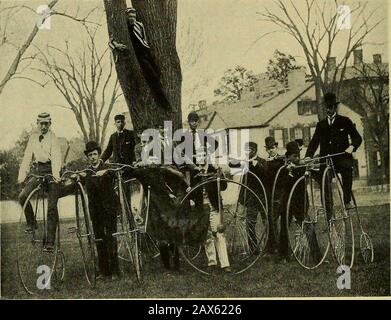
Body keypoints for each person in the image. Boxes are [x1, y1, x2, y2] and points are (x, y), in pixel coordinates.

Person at [183, 111, 231, 273]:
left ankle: (225, 264)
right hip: (201, 205)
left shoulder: (213, 170)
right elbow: (191, 190)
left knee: (218, 232)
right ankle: (212, 262)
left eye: (205, 154)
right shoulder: (195, 175)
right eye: (200, 155)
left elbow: (223, 187)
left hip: (214, 205)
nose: (202, 157)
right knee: (207, 234)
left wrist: (220, 174)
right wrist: (190, 195)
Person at [304, 92, 362, 209]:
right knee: (324, 180)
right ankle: (328, 207)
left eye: (330, 107)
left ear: (335, 107)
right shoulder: (321, 125)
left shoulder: (345, 121)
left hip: (342, 158)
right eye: (326, 107)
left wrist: (351, 147)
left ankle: (347, 201)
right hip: (327, 160)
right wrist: (308, 155)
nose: (328, 110)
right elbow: (314, 142)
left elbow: (357, 138)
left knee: (347, 171)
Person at [108, 6, 170, 109]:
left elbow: (144, 38)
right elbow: (110, 41)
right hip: (138, 56)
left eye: (134, 16)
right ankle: (165, 105)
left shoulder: (139, 25)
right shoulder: (123, 28)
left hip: (146, 52)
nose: (132, 18)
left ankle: (162, 99)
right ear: (126, 17)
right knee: (153, 77)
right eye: (130, 16)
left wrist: (147, 49)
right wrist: (116, 45)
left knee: (158, 74)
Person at [17, 112, 62, 252]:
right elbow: (26, 158)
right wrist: (22, 176)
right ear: (37, 123)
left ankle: (50, 242)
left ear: (50, 124)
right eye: (41, 123)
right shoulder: (33, 138)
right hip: (38, 171)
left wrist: (55, 176)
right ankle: (32, 223)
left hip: (51, 170)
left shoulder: (53, 138)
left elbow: (56, 158)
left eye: (46, 123)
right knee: (22, 196)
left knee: (52, 207)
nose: (43, 126)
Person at [83, 141, 120, 281]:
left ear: (99, 154)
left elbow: (116, 174)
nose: (92, 157)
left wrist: (107, 172)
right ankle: (104, 272)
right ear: (87, 157)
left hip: (109, 209)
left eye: (94, 154)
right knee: (99, 240)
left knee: (111, 238)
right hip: (95, 212)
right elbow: (80, 182)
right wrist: (76, 178)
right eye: (90, 155)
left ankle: (115, 271)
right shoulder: (87, 172)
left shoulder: (107, 168)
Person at [229, 142, 267, 255]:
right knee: (250, 224)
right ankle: (253, 249)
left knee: (267, 222)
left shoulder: (262, 162)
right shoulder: (244, 162)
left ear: (255, 150)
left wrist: (254, 164)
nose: (246, 152)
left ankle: (270, 247)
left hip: (263, 197)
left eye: (249, 150)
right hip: (251, 199)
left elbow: (264, 173)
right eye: (245, 150)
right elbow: (232, 164)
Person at [277, 141, 305, 263]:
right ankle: (283, 255)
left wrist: (295, 171)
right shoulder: (282, 169)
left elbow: (302, 182)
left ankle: (316, 255)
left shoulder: (301, 167)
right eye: (294, 156)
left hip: (300, 201)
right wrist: (288, 172)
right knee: (284, 228)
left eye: (298, 156)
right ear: (288, 157)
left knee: (307, 226)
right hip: (286, 203)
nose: (297, 158)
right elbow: (281, 184)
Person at [263, 136, 285, 255]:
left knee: (280, 221)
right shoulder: (265, 162)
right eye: (268, 149)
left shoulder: (282, 160)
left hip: (281, 193)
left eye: (272, 147)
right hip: (269, 194)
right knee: (271, 221)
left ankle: (280, 247)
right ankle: (272, 246)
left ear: (276, 147)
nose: (271, 150)